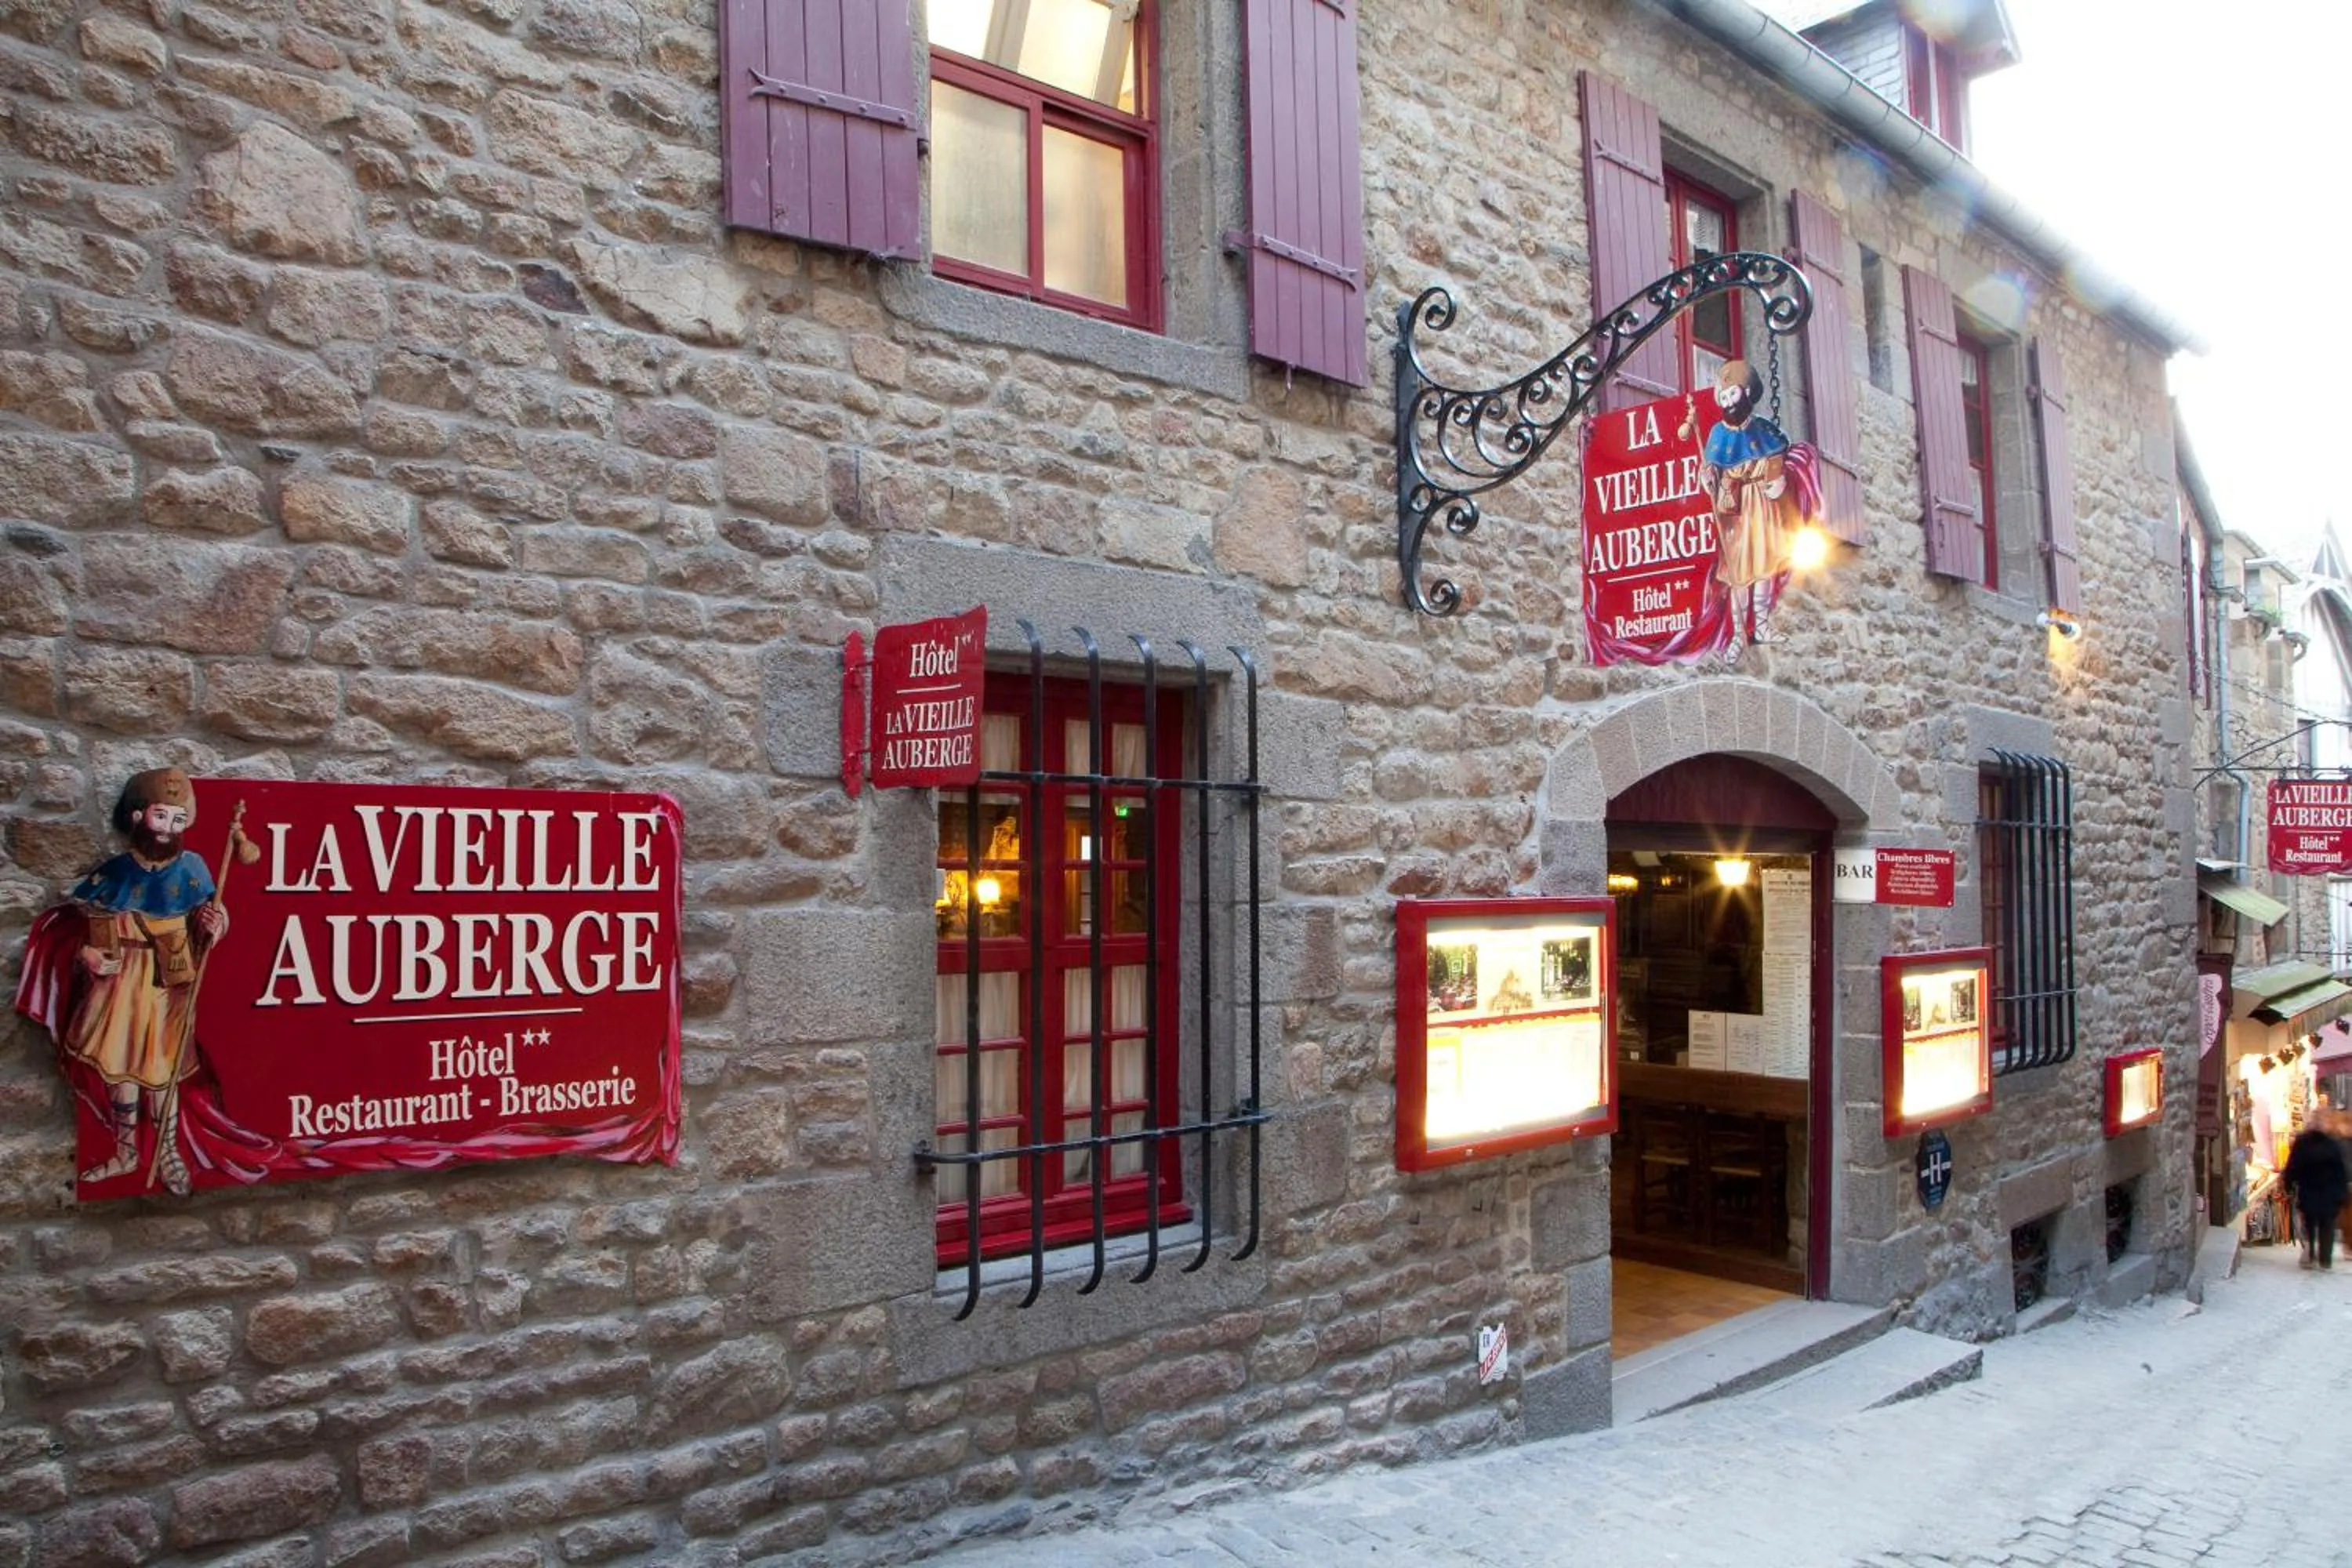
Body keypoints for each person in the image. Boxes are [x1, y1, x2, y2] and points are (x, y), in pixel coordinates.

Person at [38, 768, 226, 1193]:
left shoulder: (193, 869)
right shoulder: (115, 873)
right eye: (161, 817)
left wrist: (215, 924)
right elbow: (72, 929)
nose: (168, 830)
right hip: (119, 984)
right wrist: (86, 954)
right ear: (139, 816)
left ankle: (169, 1155)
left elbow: (208, 916)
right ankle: (126, 1153)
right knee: (119, 1069)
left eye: (178, 820)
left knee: (163, 1071)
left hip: (167, 985)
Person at [1693, 359, 1812, 661]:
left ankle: (1760, 626)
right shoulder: (1718, 434)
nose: (1728, 403)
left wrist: (1780, 477)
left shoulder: (1763, 429)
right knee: (1739, 574)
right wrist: (1708, 477)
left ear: (1745, 393)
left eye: (1732, 395)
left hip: (1762, 504)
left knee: (1764, 567)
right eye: (1723, 397)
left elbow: (1780, 456)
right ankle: (1736, 634)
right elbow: (1711, 470)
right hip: (1735, 508)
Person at [2282, 1112, 2349, 1270]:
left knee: (2311, 1222)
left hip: (2310, 1189)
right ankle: (2324, 1259)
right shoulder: (2333, 1144)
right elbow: (2341, 1171)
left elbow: (2293, 1165)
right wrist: (2342, 1194)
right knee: (2326, 1224)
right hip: (2327, 1192)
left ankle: (2312, 1253)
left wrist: (2289, 1183)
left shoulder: (2303, 1143)